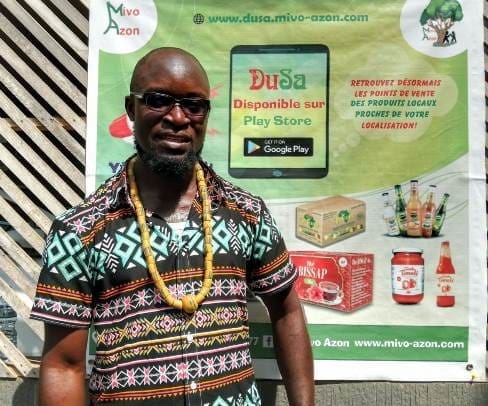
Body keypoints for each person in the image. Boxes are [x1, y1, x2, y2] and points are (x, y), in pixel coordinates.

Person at [31, 47, 314, 406]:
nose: (178, 117)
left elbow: (287, 312)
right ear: (131, 108)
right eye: (158, 100)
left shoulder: (246, 213)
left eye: (193, 105)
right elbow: (64, 365)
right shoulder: (81, 230)